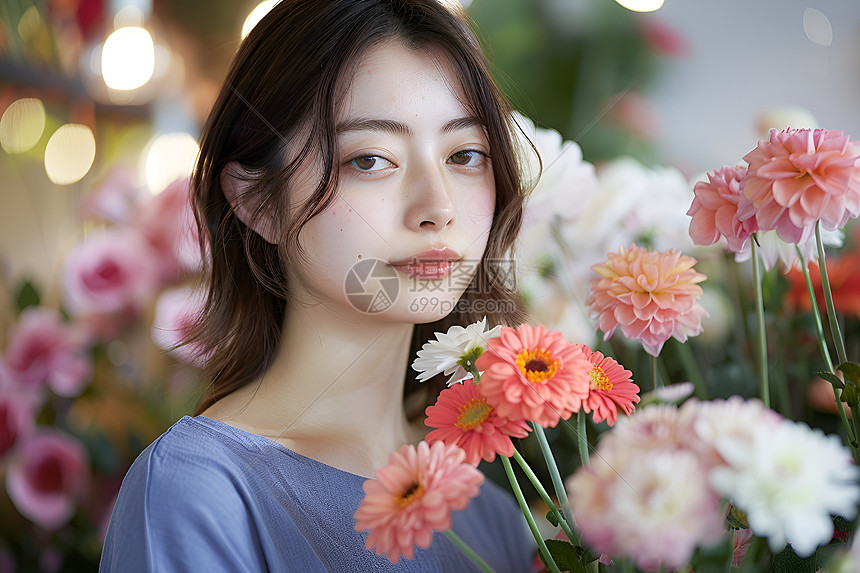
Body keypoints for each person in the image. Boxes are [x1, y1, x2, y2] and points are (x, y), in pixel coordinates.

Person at [99, 1, 536, 571]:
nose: (438, 207)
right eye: (372, 160)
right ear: (257, 200)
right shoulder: (199, 492)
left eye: (466, 154)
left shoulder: (495, 514)